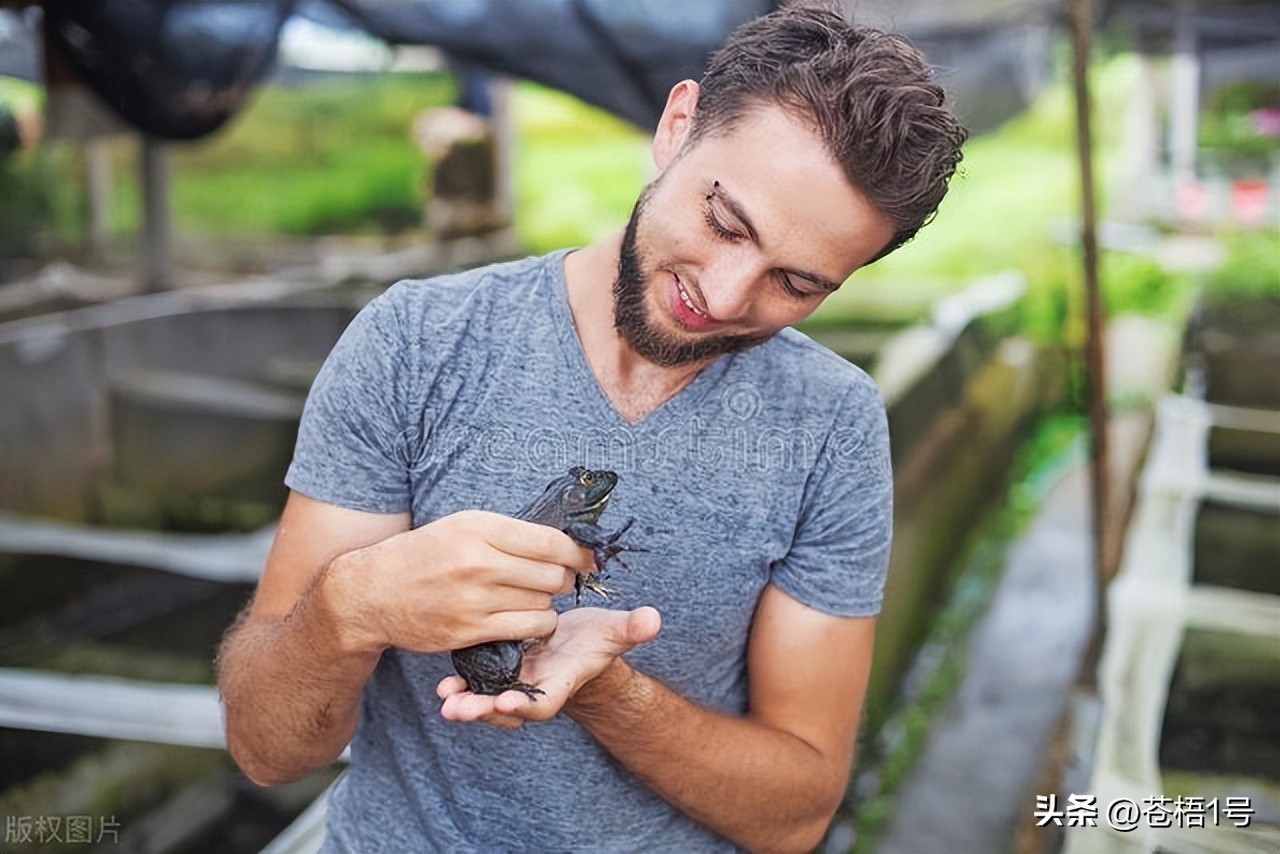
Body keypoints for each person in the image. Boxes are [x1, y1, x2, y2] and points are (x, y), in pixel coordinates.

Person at [216, 4, 965, 851]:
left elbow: (795, 813)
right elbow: (267, 749)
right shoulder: (418, 343)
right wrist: (354, 606)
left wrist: (611, 690)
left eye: (795, 282)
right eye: (724, 222)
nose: (722, 298)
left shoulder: (829, 424)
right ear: (678, 125)